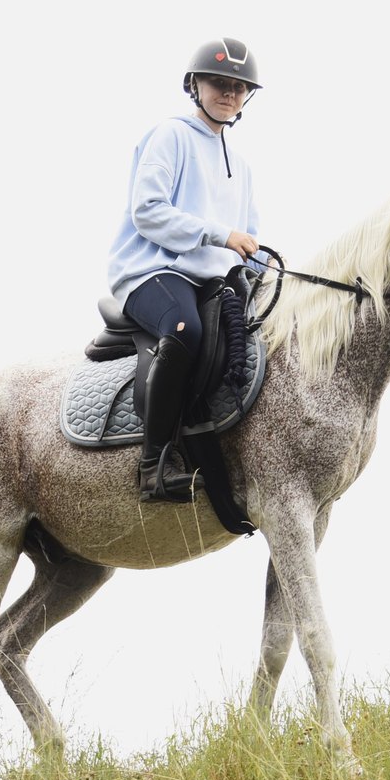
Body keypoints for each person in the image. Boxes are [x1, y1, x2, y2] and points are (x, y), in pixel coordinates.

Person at [105, 40, 264, 503]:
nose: (229, 93)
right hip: (152, 269)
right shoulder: (170, 135)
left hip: (211, 279)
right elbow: (148, 210)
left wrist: (267, 266)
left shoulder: (242, 165)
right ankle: (153, 466)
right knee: (185, 329)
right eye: (219, 83)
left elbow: (249, 236)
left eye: (239, 87)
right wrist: (219, 235)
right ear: (195, 85)